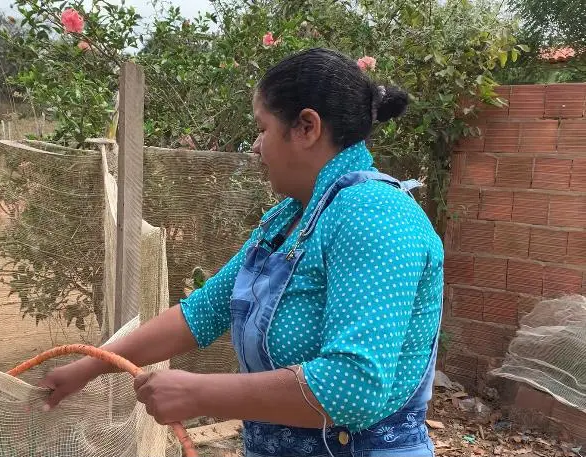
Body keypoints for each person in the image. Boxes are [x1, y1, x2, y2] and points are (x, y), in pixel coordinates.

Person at [39, 47, 444, 457]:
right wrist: (90, 366)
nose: (254, 147)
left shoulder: (375, 215)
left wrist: (200, 393)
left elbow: (353, 386)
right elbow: (202, 312)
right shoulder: (291, 218)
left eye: (262, 128)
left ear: (306, 127)